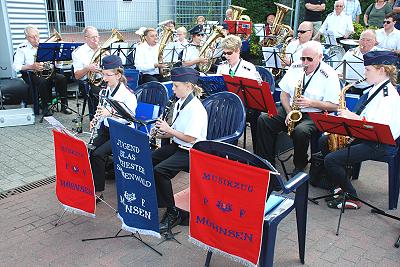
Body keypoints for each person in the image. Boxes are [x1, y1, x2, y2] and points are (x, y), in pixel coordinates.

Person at [320, 50, 400, 209]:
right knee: (325, 140)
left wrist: (351, 118)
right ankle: (340, 182)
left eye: (368, 69)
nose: (365, 73)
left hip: (381, 144)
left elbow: (376, 127)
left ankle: (352, 196)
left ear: (382, 70)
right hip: (369, 137)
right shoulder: (375, 88)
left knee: (332, 159)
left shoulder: (387, 97)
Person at [255, 41, 341, 174]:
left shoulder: (329, 74)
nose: (305, 62)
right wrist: (289, 112)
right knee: (264, 120)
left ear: (320, 57)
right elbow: (284, 94)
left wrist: (311, 103)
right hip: (292, 109)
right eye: (303, 58)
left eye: (309, 59)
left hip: (314, 114)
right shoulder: (296, 67)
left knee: (301, 131)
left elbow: (335, 106)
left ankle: (300, 164)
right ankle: (266, 163)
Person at [152, 67, 208, 233]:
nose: (173, 89)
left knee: (160, 171)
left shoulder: (196, 109)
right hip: (178, 145)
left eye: (176, 86)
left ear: (189, 86)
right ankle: (159, 200)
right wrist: (160, 132)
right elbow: (176, 131)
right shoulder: (179, 103)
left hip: (192, 151)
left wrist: (168, 130)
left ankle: (172, 211)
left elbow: (190, 138)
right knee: (150, 158)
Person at [89, 55, 137, 203]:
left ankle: (98, 192)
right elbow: (102, 113)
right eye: (103, 74)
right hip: (107, 130)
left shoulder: (127, 94)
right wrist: (95, 122)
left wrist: (110, 113)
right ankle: (92, 184)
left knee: (98, 154)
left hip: (123, 132)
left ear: (118, 74)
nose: (104, 78)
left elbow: (130, 118)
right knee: (89, 150)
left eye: (107, 75)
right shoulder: (106, 91)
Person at [13, 25, 71, 116]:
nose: (36, 39)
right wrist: (31, 66)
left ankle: (64, 105)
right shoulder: (22, 48)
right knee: (42, 81)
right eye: (32, 37)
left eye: (37, 35)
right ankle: (45, 107)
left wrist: (58, 59)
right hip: (32, 74)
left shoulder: (46, 45)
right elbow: (16, 66)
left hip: (47, 72)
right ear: (27, 38)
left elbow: (58, 65)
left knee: (62, 78)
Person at [216, 35, 262, 150]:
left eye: (229, 53)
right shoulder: (222, 67)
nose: (226, 56)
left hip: (244, 104)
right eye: (224, 53)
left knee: (232, 114)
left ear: (238, 50)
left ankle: (231, 147)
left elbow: (257, 89)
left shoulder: (248, 67)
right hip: (227, 103)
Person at [337, 30, 381, 95]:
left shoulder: (379, 55)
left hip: (371, 89)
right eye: (362, 39)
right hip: (350, 88)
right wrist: (339, 73)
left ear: (375, 42)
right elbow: (340, 69)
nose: (364, 43)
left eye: (368, 40)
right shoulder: (350, 53)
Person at [72, 26, 102, 119]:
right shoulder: (78, 52)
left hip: (104, 78)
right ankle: (96, 121)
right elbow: (77, 76)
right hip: (88, 83)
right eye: (93, 37)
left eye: (97, 37)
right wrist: (88, 68)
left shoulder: (102, 49)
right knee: (98, 93)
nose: (95, 39)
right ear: (86, 38)